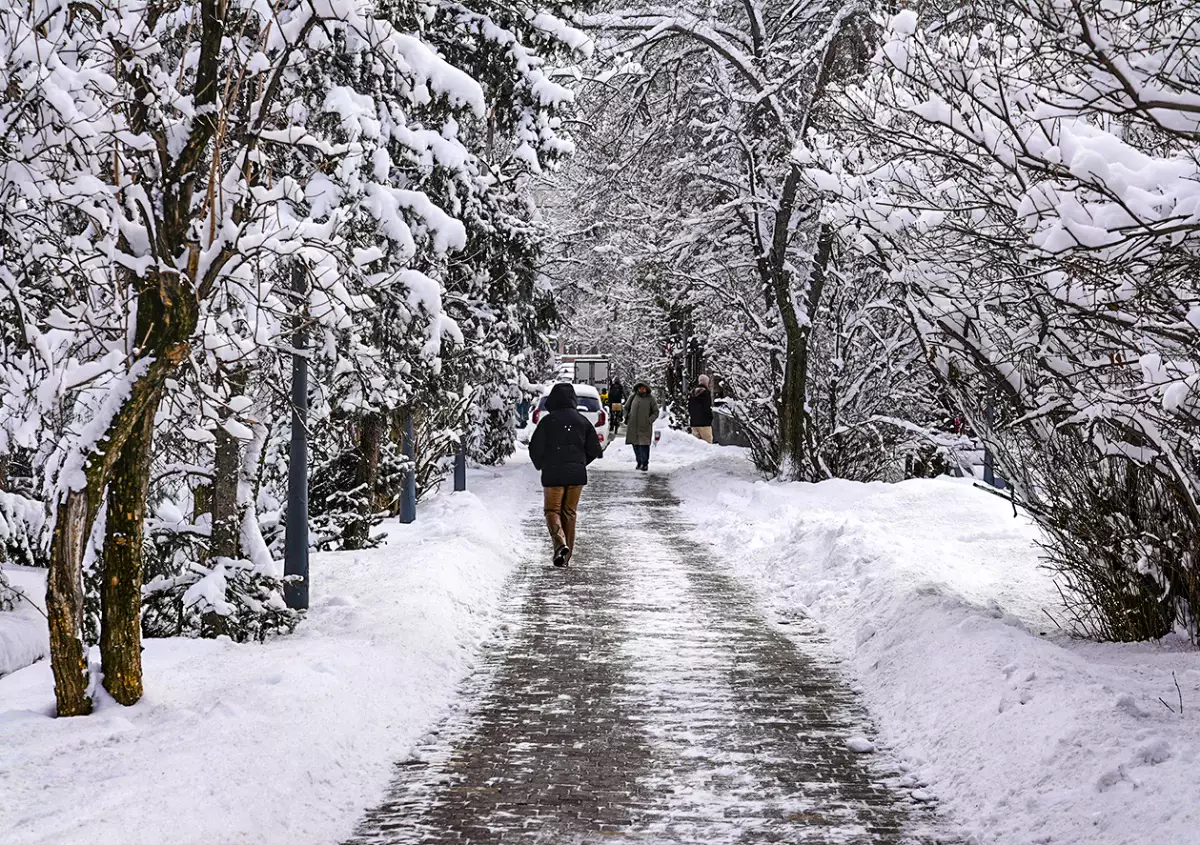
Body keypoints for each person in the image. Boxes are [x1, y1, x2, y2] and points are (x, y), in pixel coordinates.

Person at [529, 382, 602, 567]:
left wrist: (542, 464)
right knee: (569, 512)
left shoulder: (548, 421)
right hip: (576, 475)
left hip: (553, 473)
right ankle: (566, 556)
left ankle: (560, 543)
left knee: (552, 510)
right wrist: (580, 463)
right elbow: (595, 448)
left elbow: (535, 447)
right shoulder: (582, 421)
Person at [624, 381, 658, 471]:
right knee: (636, 445)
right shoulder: (633, 397)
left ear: (646, 389)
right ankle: (639, 462)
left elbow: (656, 412)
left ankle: (645, 463)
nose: (641, 390)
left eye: (643, 388)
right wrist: (626, 416)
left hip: (645, 426)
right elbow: (626, 408)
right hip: (633, 425)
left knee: (644, 445)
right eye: (640, 388)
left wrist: (649, 420)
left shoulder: (650, 399)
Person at [688, 374, 714, 444]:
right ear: (706, 382)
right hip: (705, 423)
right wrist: (710, 418)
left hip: (694, 423)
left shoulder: (692, 393)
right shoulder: (706, 393)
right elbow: (706, 407)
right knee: (707, 445)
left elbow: (690, 408)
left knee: (696, 446)